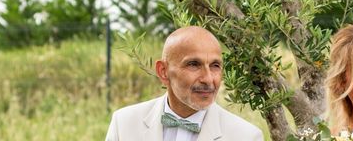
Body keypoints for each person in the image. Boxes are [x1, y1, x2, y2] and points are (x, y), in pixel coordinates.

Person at [106, 26, 263, 141]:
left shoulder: (247, 136)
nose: (208, 79)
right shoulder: (124, 124)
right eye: (194, 64)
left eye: (215, 66)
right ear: (163, 71)